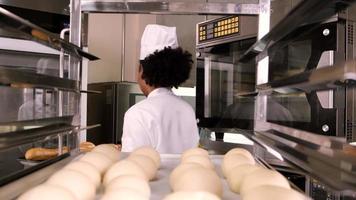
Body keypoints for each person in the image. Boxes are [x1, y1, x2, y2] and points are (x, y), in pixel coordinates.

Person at [121, 24, 199, 153]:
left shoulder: (137, 114)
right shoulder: (187, 110)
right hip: (183, 173)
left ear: (141, 70)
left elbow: (133, 166)